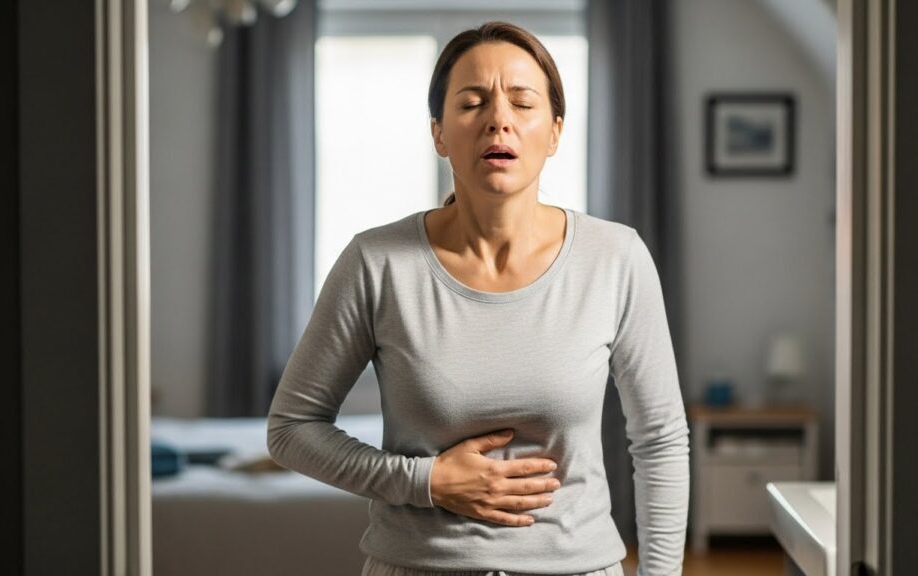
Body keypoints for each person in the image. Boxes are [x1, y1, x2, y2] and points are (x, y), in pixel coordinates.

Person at [267, 21, 689, 576]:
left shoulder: (615, 257)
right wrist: (425, 481)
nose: (498, 119)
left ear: (555, 132)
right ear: (439, 134)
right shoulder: (376, 262)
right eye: (471, 103)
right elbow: (291, 430)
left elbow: (660, 440)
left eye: (522, 102)